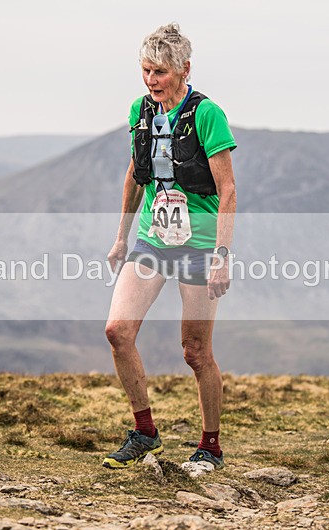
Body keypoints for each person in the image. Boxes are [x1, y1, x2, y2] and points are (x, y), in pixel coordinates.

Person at [103, 23, 237, 470]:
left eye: (159, 71)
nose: (151, 80)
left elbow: (228, 189)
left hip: (199, 244)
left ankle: (210, 447)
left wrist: (221, 256)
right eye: (145, 70)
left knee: (195, 352)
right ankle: (145, 433)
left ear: (184, 69)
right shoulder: (140, 111)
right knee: (117, 332)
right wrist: (122, 236)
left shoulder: (207, 114)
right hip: (151, 238)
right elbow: (134, 175)